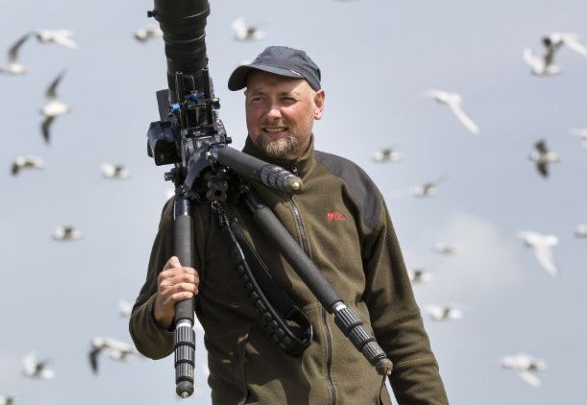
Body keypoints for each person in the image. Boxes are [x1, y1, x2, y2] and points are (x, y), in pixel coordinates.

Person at [130, 46, 449, 405]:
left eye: (286, 99)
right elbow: (147, 339)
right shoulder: (199, 203)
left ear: (318, 104)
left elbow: (400, 323)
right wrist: (163, 308)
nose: (271, 113)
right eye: (258, 99)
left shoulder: (349, 186)